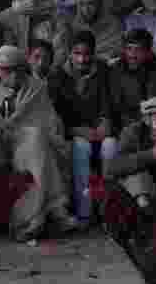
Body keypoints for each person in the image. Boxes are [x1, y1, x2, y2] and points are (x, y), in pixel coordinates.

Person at [0, 45, 82, 241]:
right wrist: (1, 121)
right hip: (1, 145)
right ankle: (55, 209)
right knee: (36, 143)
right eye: (6, 69)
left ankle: (35, 218)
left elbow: (49, 121)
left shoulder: (36, 87)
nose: (12, 74)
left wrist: (32, 132)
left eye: (16, 69)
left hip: (34, 143)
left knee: (36, 141)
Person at [48, 30, 122, 222]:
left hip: (100, 128)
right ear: (69, 53)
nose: (82, 59)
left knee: (110, 146)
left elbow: (109, 102)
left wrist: (106, 121)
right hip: (73, 131)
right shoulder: (57, 75)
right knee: (81, 148)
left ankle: (110, 210)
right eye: (77, 53)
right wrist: (76, 130)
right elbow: (55, 113)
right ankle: (84, 211)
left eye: (87, 54)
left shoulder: (103, 70)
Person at [56, 0, 124, 64]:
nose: (86, 9)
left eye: (91, 4)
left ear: (100, 6)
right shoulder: (72, 27)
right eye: (82, 5)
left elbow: (115, 51)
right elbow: (67, 54)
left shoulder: (113, 25)